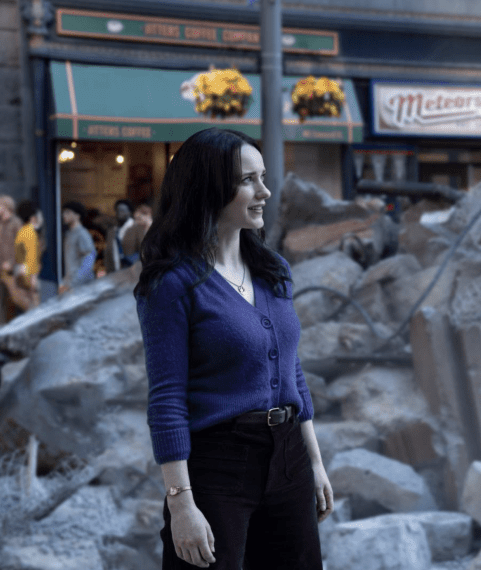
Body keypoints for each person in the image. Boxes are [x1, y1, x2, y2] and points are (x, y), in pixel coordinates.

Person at [134, 127, 332, 569]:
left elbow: (292, 371)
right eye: (247, 180)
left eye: (263, 178)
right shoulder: (172, 284)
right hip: (217, 464)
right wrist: (181, 504)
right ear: (208, 188)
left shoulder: (272, 270)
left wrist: (314, 462)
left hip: (288, 458)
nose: (264, 192)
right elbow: (167, 398)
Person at [0, 194, 22, 322]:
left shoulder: (15, 223)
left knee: (17, 301)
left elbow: (22, 247)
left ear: (6, 206)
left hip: (11, 272)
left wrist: (11, 263)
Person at [12, 200, 43, 312]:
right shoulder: (30, 232)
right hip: (28, 274)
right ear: (33, 218)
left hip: (20, 272)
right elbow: (31, 257)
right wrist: (33, 279)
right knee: (34, 309)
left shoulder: (22, 231)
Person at [59, 201, 96, 294]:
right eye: (63, 212)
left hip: (82, 287)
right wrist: (65, 283)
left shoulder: (82, 234)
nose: (64, 215)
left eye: (68, 212)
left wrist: (71, 283)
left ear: (77, 216)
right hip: (71, 285)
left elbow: (88, 261)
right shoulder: (69, 234)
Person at [104, 199, 136, 274]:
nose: (119, 213)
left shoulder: (137, 228)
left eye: (122, 210)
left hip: (133, 273)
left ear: (129, 212)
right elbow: (108, 254)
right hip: (114, 273)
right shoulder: (112, 231)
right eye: (117, 210)